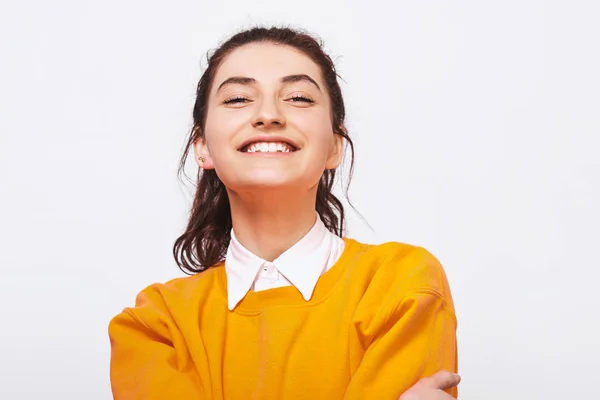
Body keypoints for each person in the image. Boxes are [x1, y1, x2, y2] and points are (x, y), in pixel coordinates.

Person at [108, 26, 460, 399]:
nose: (269, 114)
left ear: (334, 147)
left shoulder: (401, 284)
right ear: (202, 147)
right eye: (239, 98)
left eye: (298, 97)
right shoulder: (157, 323)